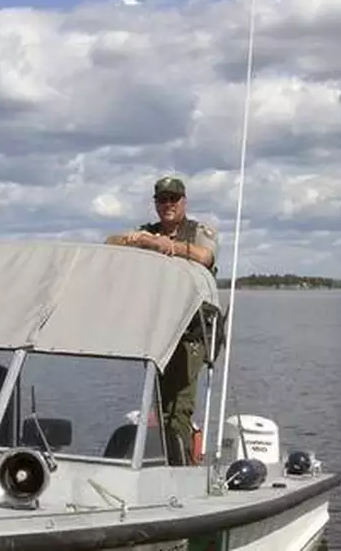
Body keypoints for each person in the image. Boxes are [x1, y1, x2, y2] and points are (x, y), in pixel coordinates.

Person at [105, 176, 218, 465]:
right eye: (162, 200)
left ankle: (179, 469)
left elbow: (206, 256)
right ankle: (165, 460)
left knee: (179, 407)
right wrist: (145, 240)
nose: (168, 204)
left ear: (184, 202)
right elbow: (111, 242)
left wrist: (167, 246)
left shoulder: (198, 231)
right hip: (160, 331)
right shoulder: (148, 232)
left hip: (192, 334)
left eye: (173, 199)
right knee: (160, 404)